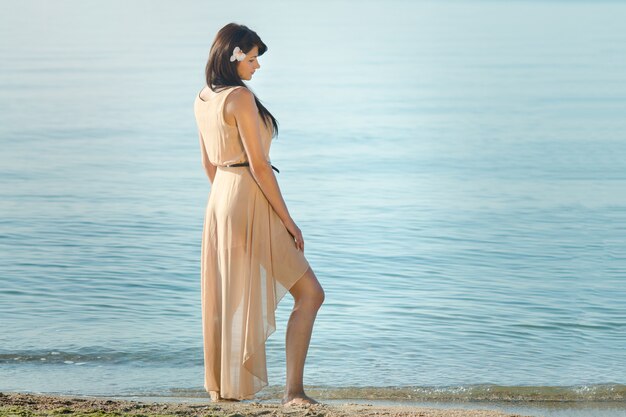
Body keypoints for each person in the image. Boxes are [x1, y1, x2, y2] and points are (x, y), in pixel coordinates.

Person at [193, 23, 325, 407]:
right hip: (247, 194)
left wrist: (226, 199)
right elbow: (260, 166)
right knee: (311, 293)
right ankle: (293, 393)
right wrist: (289, 221)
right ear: (232, 57)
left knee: (229, 295)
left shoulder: (203, 97)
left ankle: (222, 391)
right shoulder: (239, 98)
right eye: (251, 59)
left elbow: (207, 163)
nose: (256, 67)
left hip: (220, 197)